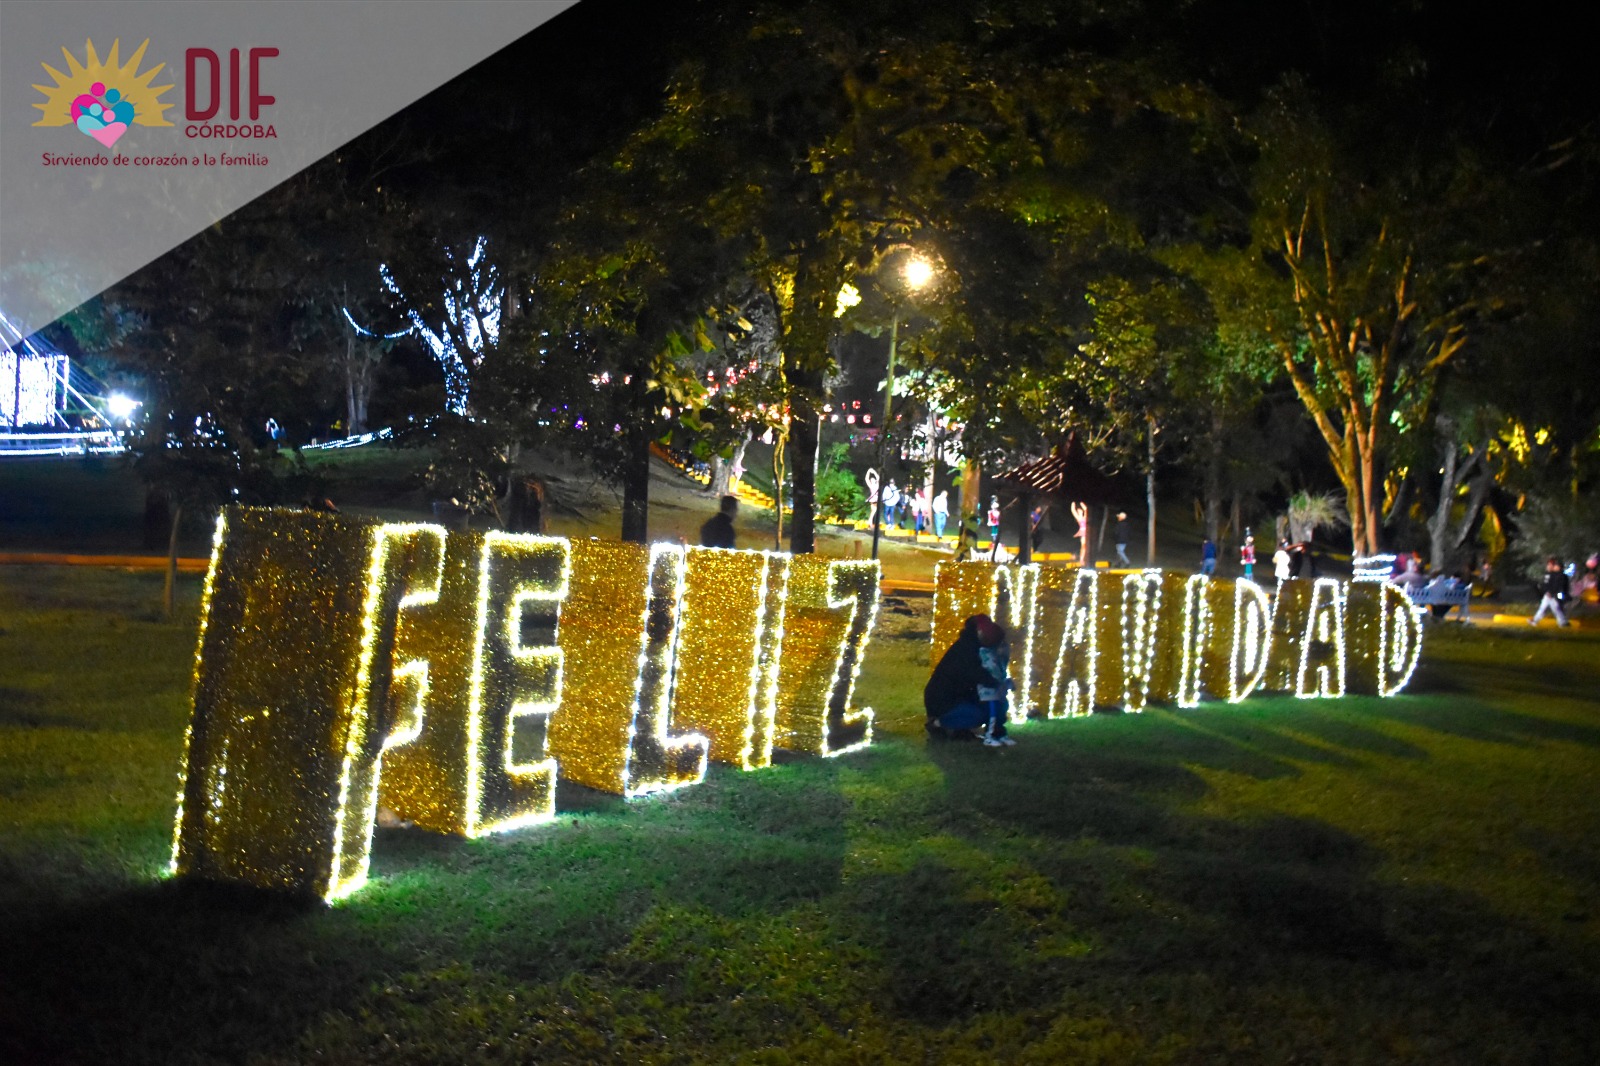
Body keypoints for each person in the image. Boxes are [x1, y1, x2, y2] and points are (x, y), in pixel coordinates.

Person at [925, 614, 1006, 742]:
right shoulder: (968, 651)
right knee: (979, 714)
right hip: (943, 701)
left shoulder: (968, 646)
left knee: (984, 708)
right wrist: (996, 683)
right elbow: (976, 673)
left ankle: (961, 729)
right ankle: (938, 723)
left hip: (952, 697)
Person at [975, 623, 1017, 746]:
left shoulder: (996, 656)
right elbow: (992, 673)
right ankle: (989, 736)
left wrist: (1007, 683)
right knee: (992, 715)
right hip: (989, 693)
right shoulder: (984, 655)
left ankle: (1000, 734)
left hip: (998, 692)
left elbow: (1001, 672)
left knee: (1001, 713)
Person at [1530, 556, 1571, 627]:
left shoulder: (1560, 575)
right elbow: (1549, 584)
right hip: (1550, 594)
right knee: (1552, 608)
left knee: (1556, 608)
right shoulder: (1554, 574)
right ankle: (1562, 622)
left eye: (1555, 566)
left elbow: (1559, 586)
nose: (1554, 567)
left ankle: (1563, 622)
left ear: (1559, 567)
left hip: (1554, 594)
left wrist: (1552, 593)